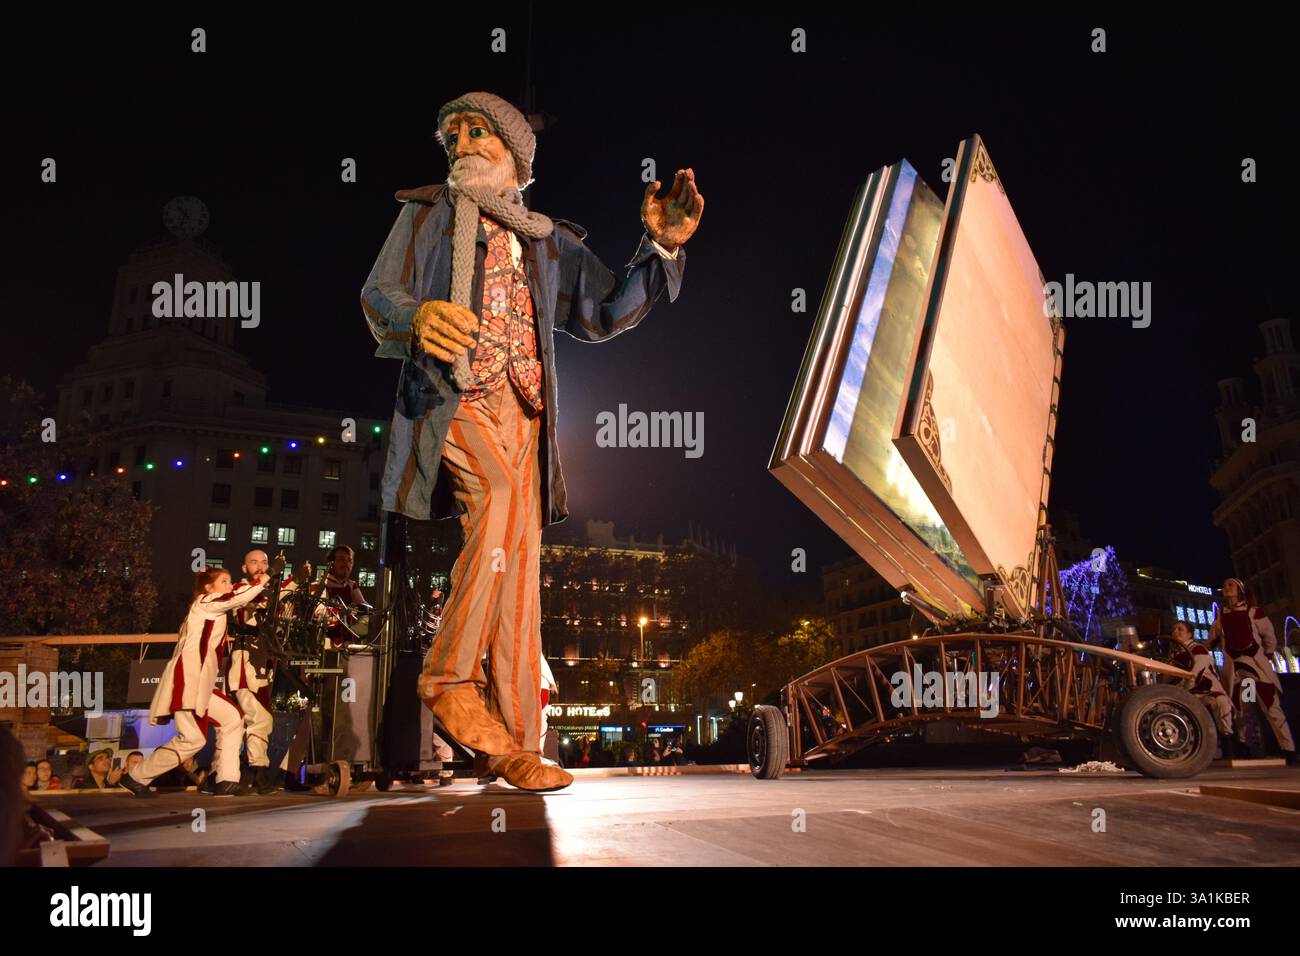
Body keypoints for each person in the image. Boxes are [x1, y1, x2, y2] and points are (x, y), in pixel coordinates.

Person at [362, 91, 701, 793]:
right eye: (450, 132)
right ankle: (450, 677)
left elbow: (606, 313)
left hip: (526, 415)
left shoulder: (549, 240)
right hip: (453, 396)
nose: (459, 141)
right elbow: (379, 295)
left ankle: (514, 743)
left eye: (476, 130)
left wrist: (661, 247)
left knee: (518, 565)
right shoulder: (424, 214)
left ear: (515, 152)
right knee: (505, 502)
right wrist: (416, 316)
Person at [119, 561, 279, 798]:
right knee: (193, 740)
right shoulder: (207, 603)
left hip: (199, 683)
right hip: (189, 680)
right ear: (208, 588)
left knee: (232, 718)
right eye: (224, 581)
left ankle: (227, 779)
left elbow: (236, 596)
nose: (230, 585)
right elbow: (237, 598)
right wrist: (268, 575)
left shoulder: (210, 605)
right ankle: (136, 777)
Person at [229, 549, 299, 795]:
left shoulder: (269, 592)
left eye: (265, 563)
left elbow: (282, 599)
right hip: (245, 662)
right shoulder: (238, 589)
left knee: (256, 721)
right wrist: (273, 576)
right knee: (258, 719)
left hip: (262, 665)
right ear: (244, 567)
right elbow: (250, 601)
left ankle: (248, 773)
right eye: (254, 562)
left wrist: (299, 580)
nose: (260, 566)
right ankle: (255, 772)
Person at [1209, 578, 1297, 765]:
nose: (1226, 588)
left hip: (1257, 669)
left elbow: (1269, 636)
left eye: (1230, 585)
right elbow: (1212, 639)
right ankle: (1248, 747)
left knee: (1272, 709)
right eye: (1224, 586)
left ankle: (1288, 749)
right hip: (1240, 672)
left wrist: (1268, 655)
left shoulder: (1253, 613)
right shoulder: (1221, 616)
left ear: (1240, 590)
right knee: (1245, 710)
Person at [1169, 620, 1234, 758]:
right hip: (1190, 692)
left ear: (1190, 634)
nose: (1175, 632)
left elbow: (1194, 674)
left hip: (1207, 690)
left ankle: (1230, 748)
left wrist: (1182, 694)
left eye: (1180, 629)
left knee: (1225, 704)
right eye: (1174, 629)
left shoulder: (1198, 650)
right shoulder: (1174, 655)